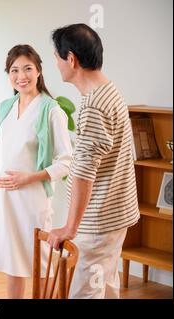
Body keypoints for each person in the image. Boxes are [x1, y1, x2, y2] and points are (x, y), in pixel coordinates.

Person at [47, 23, 140, 299]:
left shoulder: (93, 107)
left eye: (57, 58)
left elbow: (85, 173)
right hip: (116, 215)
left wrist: (70, 227)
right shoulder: (110, 91)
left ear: (71, 59)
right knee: (107, 287)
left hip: (99, 222)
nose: (57, 65)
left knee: (86, 292)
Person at [0, 44, 72, 298]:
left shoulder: (51, 110)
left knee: (39, 261)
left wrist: (30, 177)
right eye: (14, 70)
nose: (21, 76)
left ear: (38, 71)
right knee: (14, 263)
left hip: (32, 199)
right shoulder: (4, 108)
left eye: (27, 69)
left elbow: (66, 161)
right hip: (5, 199)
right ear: (8, 74)